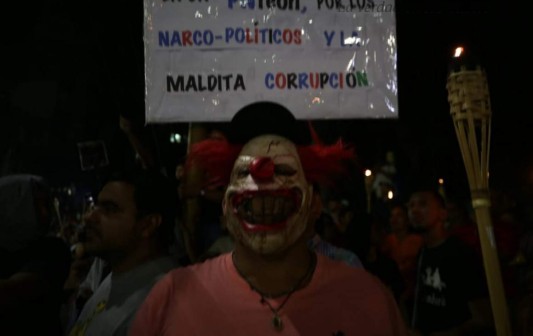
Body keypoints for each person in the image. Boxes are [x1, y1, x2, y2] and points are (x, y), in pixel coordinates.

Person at [130, 102, 408, 335]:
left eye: (285, 169)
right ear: (225, 205)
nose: (263, 177)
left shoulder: (370, 300)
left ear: (314, 204)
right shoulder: (169, 297)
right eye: (243, 173)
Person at [67, 169, 178, 336]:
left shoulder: (164, 304)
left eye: (110, 209)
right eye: (96, 206)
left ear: (148, 225)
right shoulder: (117, 276)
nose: (89, 217)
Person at [407, 189, 493, 335]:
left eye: (422, 204)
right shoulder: (423, 252)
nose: (414, 210)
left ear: (443, 213)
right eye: (410, 206)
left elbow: (483, 317)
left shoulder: (461, 254)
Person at [0, 174, 72, 335]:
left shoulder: (52, 249)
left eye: (47, 205)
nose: (46, 214)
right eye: (35, 206)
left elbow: (13, 292)